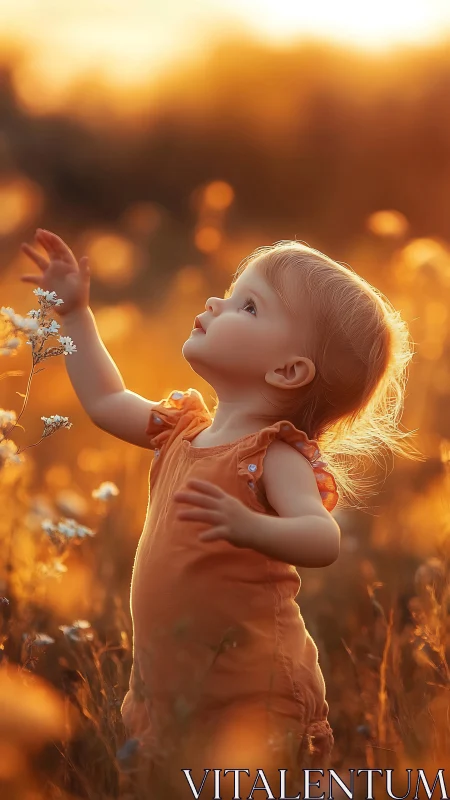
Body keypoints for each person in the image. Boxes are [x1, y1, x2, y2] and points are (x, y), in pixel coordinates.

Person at [20, 231, 422, 799]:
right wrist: (76, 315)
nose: (216, 303)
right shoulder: (181, 430)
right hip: (173, 691)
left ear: (288, 371)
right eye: (231, 294)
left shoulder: (272, 456)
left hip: (252, 695)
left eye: (248, 306)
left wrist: (251, 526)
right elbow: (107, 402)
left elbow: (322, 536)